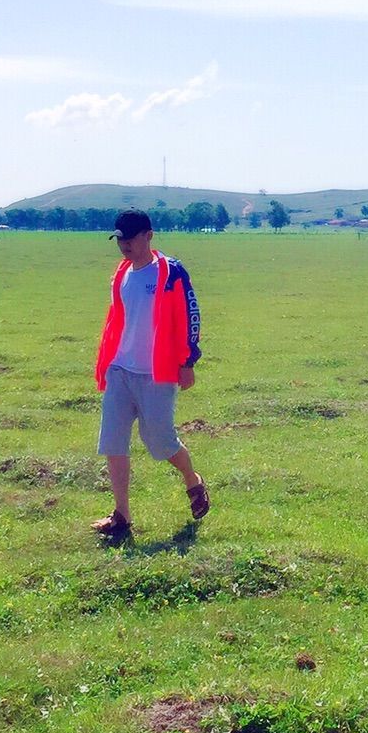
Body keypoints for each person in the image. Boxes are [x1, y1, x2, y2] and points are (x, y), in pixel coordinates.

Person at [90, 210, 209, 541]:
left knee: (160, 441)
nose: (124, 244)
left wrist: (188, 362)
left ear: (148, 236)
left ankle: (192, 480)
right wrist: (107, 360)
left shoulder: (170, 272)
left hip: (156, 372)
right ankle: (122, 516)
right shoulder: (123, 273)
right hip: (120, 369)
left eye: (131, 237)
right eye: (120, 239)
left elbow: (191, 315)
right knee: (113, 439)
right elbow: (118, 320)